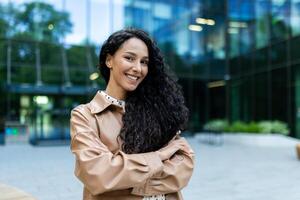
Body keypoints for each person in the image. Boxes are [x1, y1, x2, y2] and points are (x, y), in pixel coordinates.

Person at [70, 28, 195, 200]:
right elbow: (98, 175)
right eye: (129, 58)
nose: (138, 68)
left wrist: (124, 176)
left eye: (144, 62)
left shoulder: (159, 109)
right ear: (109, 60)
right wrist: (159, 157)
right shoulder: (85, 116)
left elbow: (184, 166)